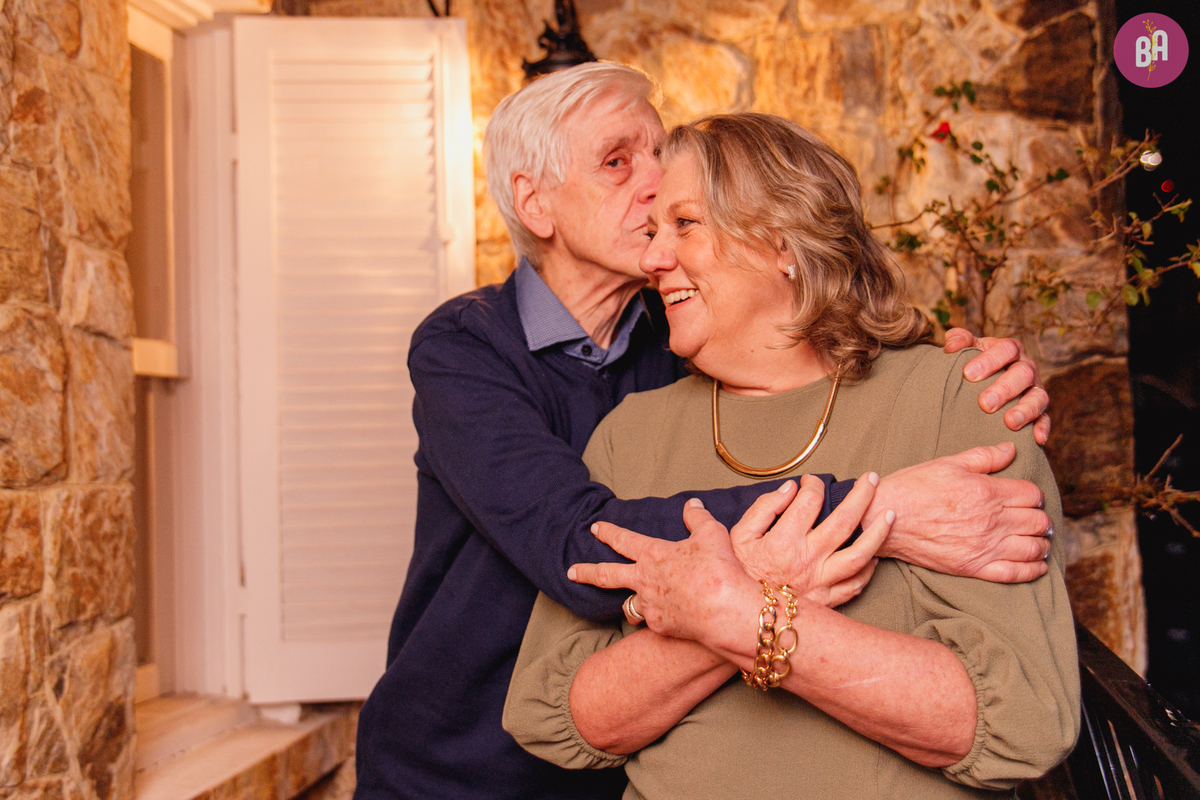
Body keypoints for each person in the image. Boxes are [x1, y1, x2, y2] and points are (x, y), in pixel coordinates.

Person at [353, 65, 1055, 800]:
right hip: (456, 765)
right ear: (535, 203)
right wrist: (882, 511)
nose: (654, 182)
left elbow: (825, 341)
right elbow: (578, 546)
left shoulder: (686, 337)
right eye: (618, 161)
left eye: (659, 157)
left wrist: (979, 379)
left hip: (609, 772)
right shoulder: (466, 347)